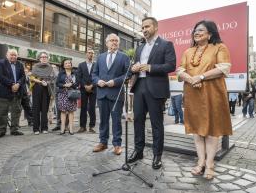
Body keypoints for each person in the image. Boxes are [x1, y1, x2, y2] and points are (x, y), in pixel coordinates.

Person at [177, 20, 233, 180]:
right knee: (197, 130)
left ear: (210, 34)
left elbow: (224, 67)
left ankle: (210, 164)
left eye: (201, 30)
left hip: (212, 94)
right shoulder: (188, 51)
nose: (196, 32)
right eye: (195, 30)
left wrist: (200, 76)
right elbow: (180, 69)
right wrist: (190, 78)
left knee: (211, 130)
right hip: (193, 94)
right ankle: (200, 161)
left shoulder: (219, 47)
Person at [128, 17, 176, 169]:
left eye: (147, 26)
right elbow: (135, 66)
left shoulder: (166, 44)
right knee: (138, 121)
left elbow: (171, 65)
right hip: (139, 86)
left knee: (156, 124)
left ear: (155, 27)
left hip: (155, 88)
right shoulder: (140, 47)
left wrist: (150, 68)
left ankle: (157, 155)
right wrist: (134, 68)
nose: (144, 30)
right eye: (142, 28)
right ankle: (138, 150)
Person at [92, 33, 130, 155]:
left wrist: (115, 81)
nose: (114, 42)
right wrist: (98, 81)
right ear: (106, 43)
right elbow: (94, 74)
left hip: (116, 94)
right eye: (111, 40)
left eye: (116, 41)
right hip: (102, 94)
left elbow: (128, 74)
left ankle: (117, 144)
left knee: (116, 121)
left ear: (118, 43)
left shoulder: (124, 57)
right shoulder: (100, 57)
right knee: (103, 120)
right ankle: (103, 142)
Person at [0, 49, 25, 138]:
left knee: (16, 111)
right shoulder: (1, 63)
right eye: (11, 55)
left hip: (17, 91)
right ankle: (2, 130)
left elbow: (23, 76)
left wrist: (18, 84)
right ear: (7, 55)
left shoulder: (20, 64)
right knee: (2, 112)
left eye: (15, 55)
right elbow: (0, 76)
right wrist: (12, 84)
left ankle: (14, 129)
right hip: (4, 91)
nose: (13, 57)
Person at [30, 52, 55, 135]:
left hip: (46, 89)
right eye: (42, 57)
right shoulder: (35, 67)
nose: (44, 58)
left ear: (48, 58)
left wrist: (47, 82)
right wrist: (40, 81)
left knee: (45, 109)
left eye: (45, 57)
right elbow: (31, 78)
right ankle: (36, 128)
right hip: (36, 88)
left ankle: (44, 128)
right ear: (39, 58)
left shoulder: (51, 68)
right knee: (36, 108)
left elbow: (53, 79)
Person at [56, 59, 79, 135]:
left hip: (71, 94)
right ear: (63, 65)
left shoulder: (75, 73)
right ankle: (62, 129)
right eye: (66, 63)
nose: (68, 64)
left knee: (71, 111)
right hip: (62, 94)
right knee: (63, 111)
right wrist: (64, 85)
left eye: (69, 63)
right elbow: (57, 83)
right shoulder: (61, 73)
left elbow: (77, 84)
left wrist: (71, 84)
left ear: (71, 64)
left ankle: (71, 129)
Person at [77, 48, 96, 133]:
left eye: (92, 53)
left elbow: (98, 76)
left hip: (94, 89)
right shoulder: (81, 65)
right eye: (89, 53)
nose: (90, 54)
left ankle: (92, 126)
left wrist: (92, 85)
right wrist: (85, 86)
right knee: (83, 108)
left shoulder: (96, 65)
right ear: (86, 54)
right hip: (83, 89)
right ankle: (82, 127)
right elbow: (79, 77)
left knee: (92, 108)